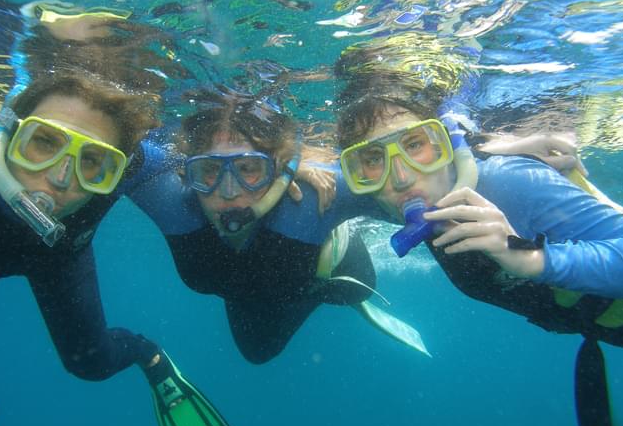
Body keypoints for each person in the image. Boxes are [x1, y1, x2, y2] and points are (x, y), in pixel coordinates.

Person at [333, 43, 623, 426]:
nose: (401, 177)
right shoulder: (391, 195)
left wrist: (531, 259)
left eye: (416, 145)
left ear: (445, 143)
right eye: (371, 159)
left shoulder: (511, 183)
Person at [0, 39, 250, 426]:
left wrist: (305, 166)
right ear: (6, 135)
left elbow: (210, 168)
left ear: (121, 166)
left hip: (60, 255)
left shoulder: (137, 162)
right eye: (43, 143)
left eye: (93, 162)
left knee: (90, 364)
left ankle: (148, 355)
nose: (58, 178)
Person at [131, 87, 429, 365]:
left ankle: (332, 246)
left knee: (355, 292)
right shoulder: (171, 201)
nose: (230, 190)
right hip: (253, 291)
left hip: (332, 277)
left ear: (277, 169)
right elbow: (118, 150)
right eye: (209, 170)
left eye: (249, 168)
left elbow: (420, 185)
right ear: (186, 171)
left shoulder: (310, 198)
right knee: (257, 353)